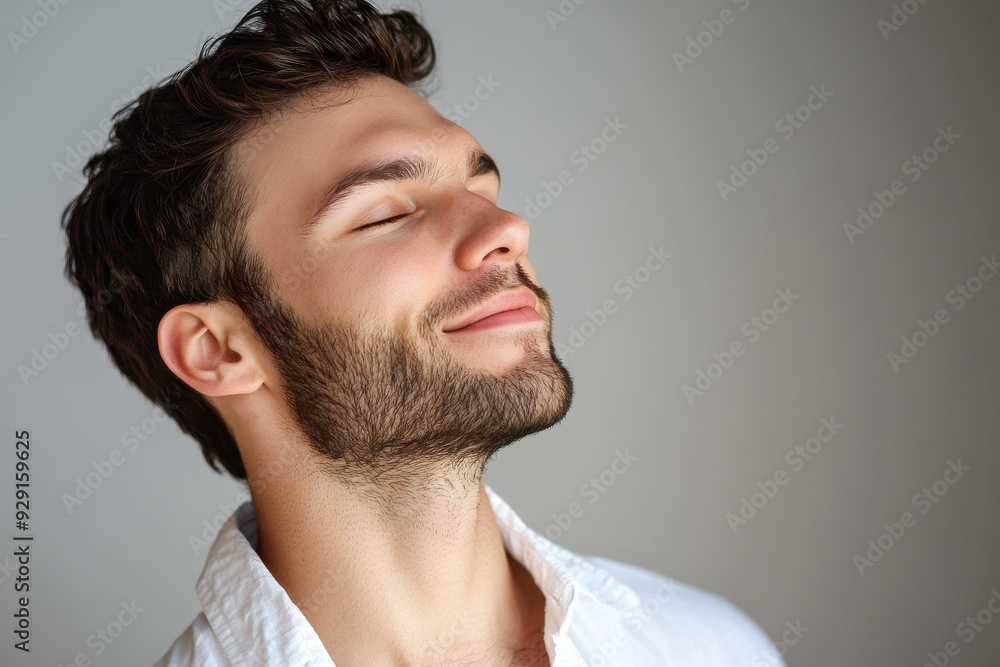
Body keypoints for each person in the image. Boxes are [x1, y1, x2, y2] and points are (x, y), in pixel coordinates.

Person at [61, 1, 782, 664]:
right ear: (219, 350)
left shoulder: (710, 647)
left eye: (480, 190)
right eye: (387, 213)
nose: (507, 228)